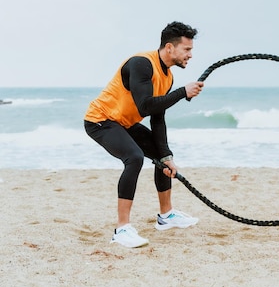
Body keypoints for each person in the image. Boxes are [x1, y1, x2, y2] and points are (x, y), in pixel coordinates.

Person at [84, 21, 205, 248]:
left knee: (162, 158)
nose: (190, 55)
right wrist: (182, 93)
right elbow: (145, 106)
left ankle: (166, 216)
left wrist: (166, 154)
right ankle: (122, 229)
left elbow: (157, 116)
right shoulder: (141, 64)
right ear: (170, 48)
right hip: (101, 120)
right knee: (134, 158)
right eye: (187, 50)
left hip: (125, 123)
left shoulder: (167, 76)